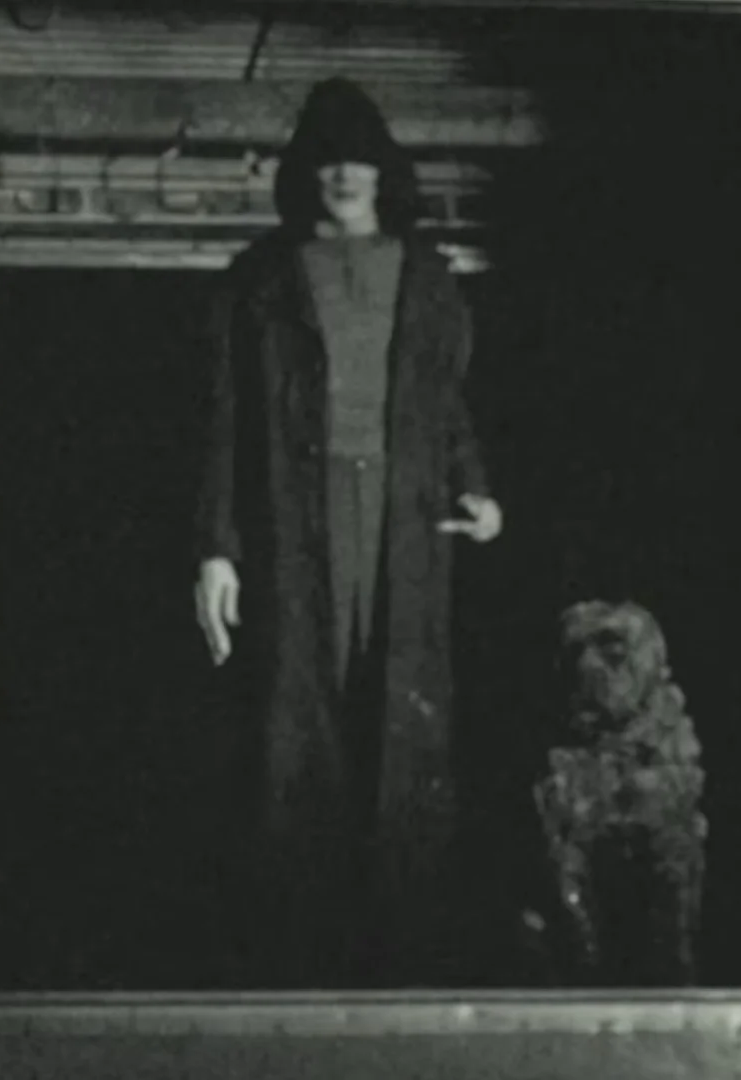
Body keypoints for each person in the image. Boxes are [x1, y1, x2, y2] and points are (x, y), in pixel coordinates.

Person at [191, 77, 503, 988]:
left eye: (360, 156)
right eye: (327, 157)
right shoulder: (260, 278)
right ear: (306, 172)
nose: (344, 172)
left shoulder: (428, 275)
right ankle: (296, 952)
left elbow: (447, 399)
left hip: (405, 517)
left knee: (397, 714)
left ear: (383, 171)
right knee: (300, 715)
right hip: (295, 514)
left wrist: (477, 489)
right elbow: (223, 419)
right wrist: (216, 548)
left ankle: (402, 948)